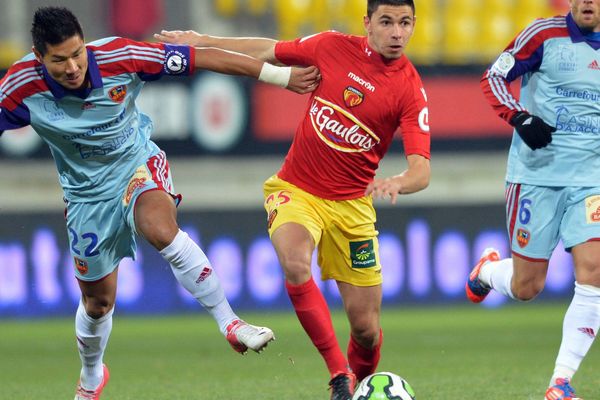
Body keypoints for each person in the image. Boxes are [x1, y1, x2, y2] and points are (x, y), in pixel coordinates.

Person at [0, 6, 320, 400]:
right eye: (59, 59)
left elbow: (201, 57)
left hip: (136, 164)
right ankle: (91, 375)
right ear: (38, 57)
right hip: (85, 195)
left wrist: (280, 76)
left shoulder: (120, 56)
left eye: (77, 53)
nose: (72, 67)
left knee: (160, 229)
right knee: (98, 303)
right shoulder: (19, 86)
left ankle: (231, 323)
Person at [155, 1, 430, 398]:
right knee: (296, 261)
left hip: (353, 205)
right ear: (368, 23)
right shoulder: (331, 46)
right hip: (296, 190)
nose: (397, 33)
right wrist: (204, 40)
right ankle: (339, 375)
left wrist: (398, 182)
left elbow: (422, 170)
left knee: (367, 331)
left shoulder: (409, 88)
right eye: (387, 22)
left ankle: (357, 384)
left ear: (413, 26)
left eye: (405, 23)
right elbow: (267, 49)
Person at [466, 1, 600, 398]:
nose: (588, 2)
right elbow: (493, 76)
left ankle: (560, 383)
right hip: (536, 177)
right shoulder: (542, 35)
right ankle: (487, 271)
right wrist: (519, 117)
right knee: (528, 286)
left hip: (591, 180)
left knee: (594, 271)